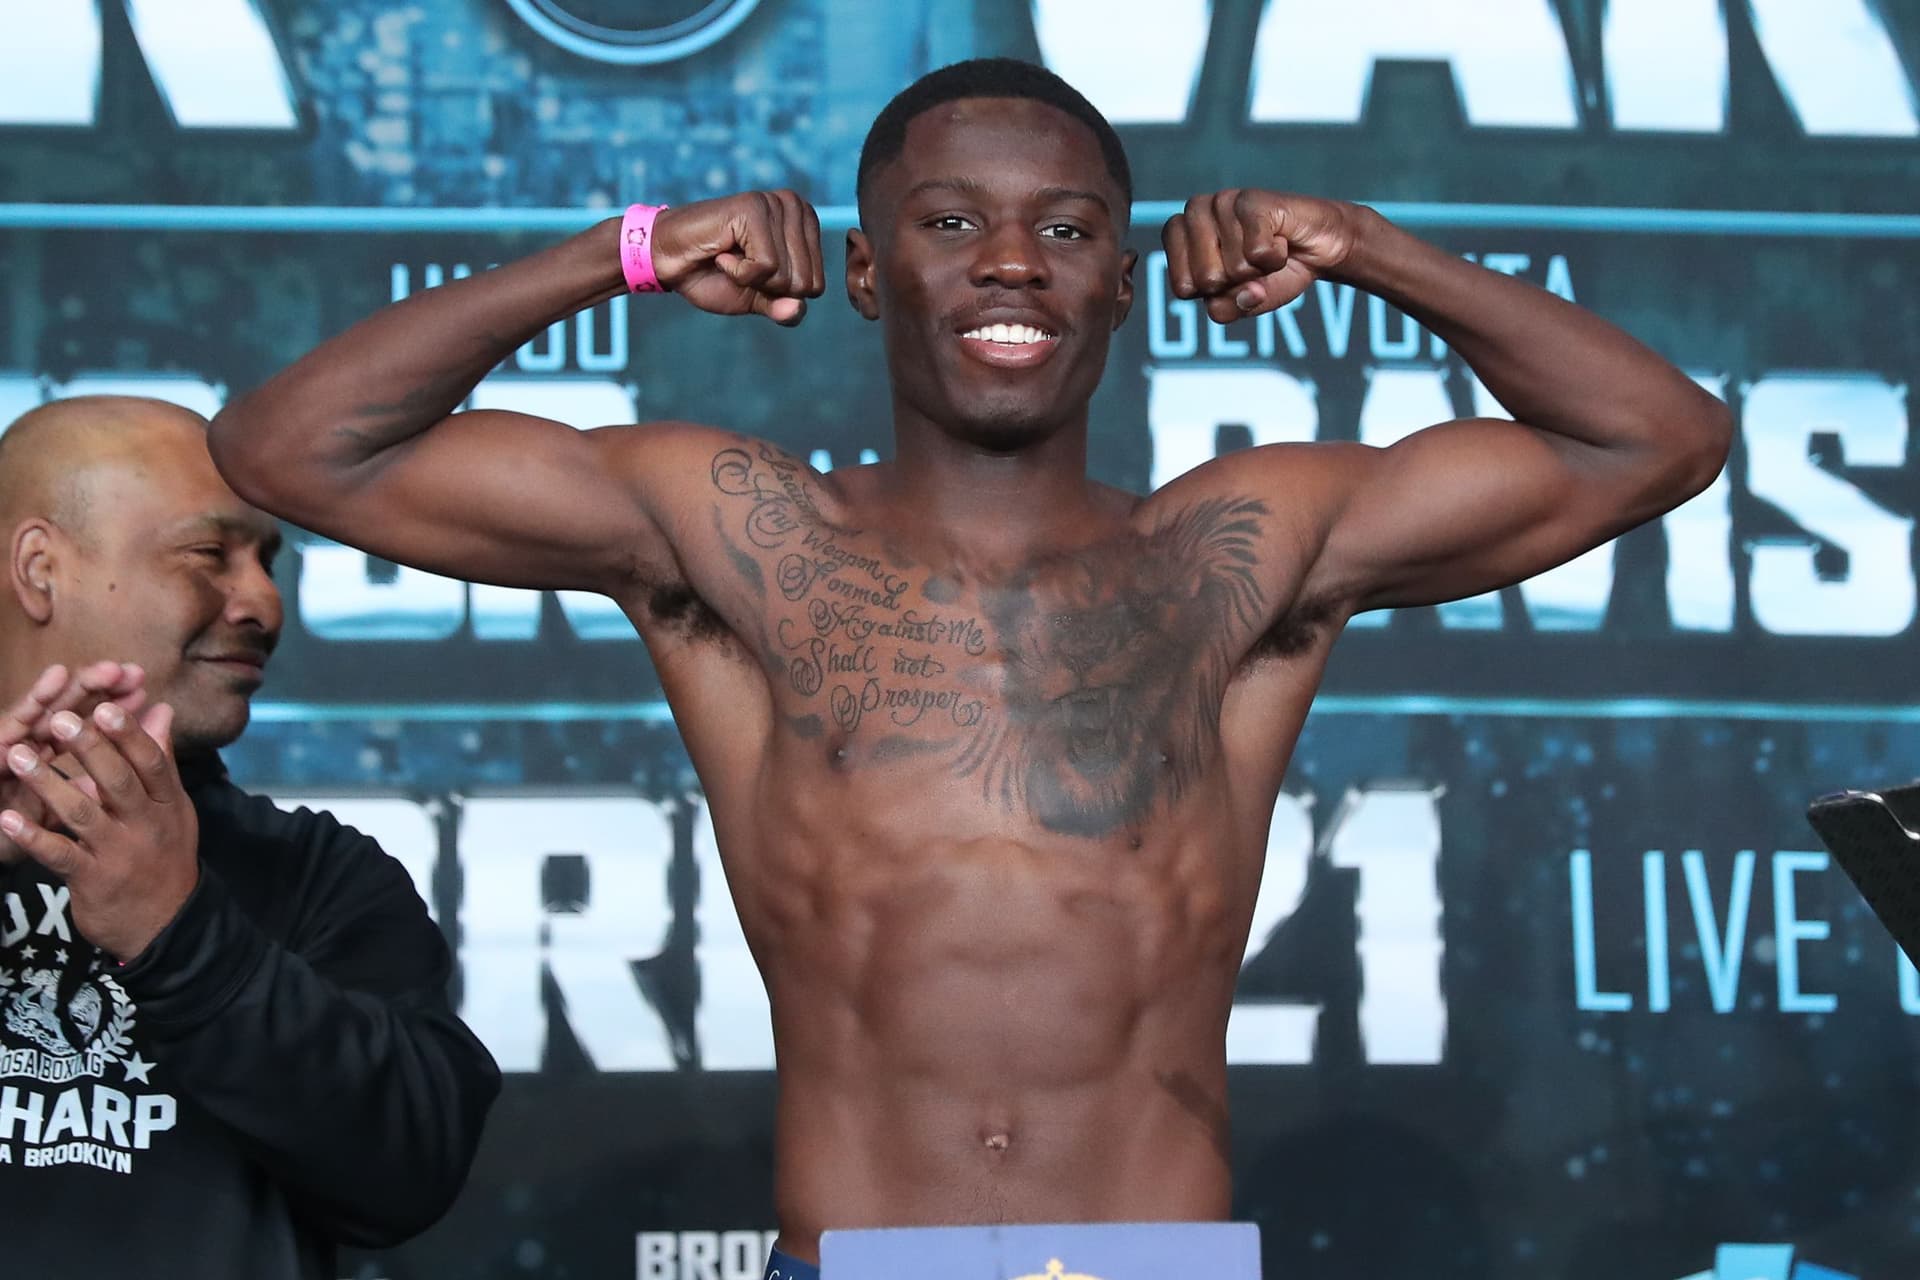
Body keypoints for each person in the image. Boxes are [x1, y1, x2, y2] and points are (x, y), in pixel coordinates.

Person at [207, 57, 1732, 1277]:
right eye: (951, 224)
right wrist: (628, 252)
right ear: (869, 273)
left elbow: (1658, 441)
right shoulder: (743, 536)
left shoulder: (1245, 550)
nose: (1012, 262)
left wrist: (1365, 244)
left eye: (1066, 231)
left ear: (1122, 279)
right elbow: (291, 450)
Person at [0, 395, 500, 1280]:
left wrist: (180, 934)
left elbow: (408, 1173)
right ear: (41, 568)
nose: (266, 604)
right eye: (209, 554)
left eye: (268, 562)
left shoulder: (322, 877)